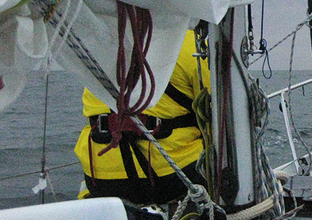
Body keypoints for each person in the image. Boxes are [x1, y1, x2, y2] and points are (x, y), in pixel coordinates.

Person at [74, 30, 210, 205]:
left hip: (100, 179)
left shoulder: (100, 45)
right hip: (173, 178)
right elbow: (220, 114)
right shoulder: (191, 45)